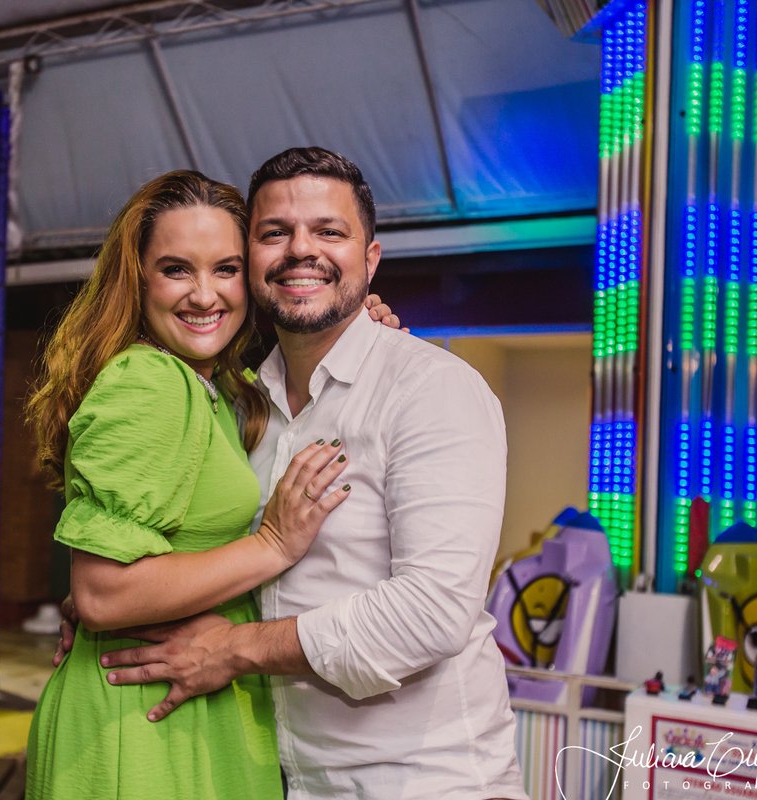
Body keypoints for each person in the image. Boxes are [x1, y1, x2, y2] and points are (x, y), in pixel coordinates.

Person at [88, 148, 528, 800]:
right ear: (249, 262)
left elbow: (431, 611)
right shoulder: (243, 408)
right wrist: (114, 595)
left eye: (328, 231)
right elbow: (204, 550)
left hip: (429, 782)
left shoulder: (431, 389)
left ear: (369, 260)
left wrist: (234, 649)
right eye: (275, 232)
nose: (301, 250)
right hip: (288, 780)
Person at [23, 170, 402, 800]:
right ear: (137, 279)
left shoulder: (221, 390)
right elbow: (102, 594)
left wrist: (360, 330)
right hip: (139, 717)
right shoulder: (150, 381)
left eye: (225, 269)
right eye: (176, 269)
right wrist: (272, 546)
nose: (204, 295)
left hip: (189, 697)